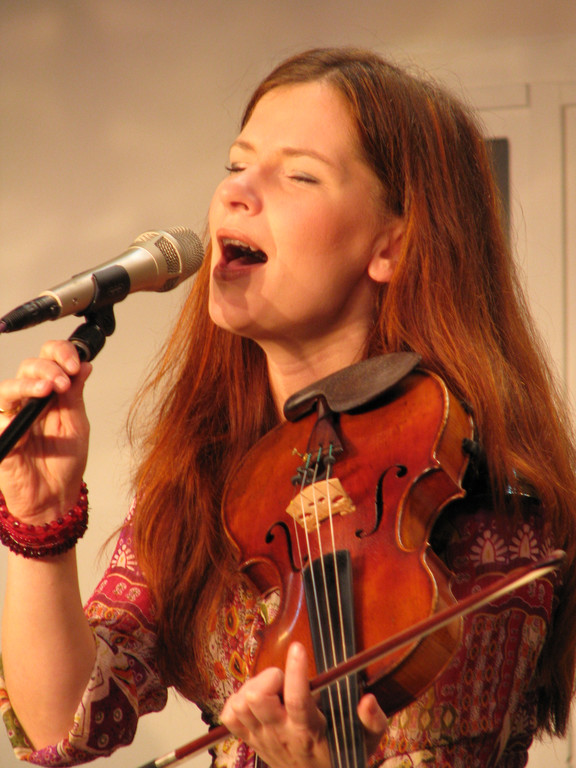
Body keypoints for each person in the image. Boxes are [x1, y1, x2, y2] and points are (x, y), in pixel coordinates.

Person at [0, 46, 575, 768]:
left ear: (392, 247)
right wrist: (41, 521)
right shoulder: (212, 474)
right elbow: (60, 726)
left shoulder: (480, 499)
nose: (236, 193)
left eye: (298, 174)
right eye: (236, 164)